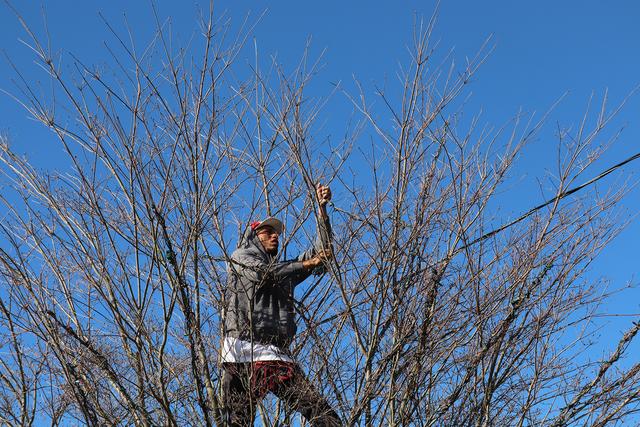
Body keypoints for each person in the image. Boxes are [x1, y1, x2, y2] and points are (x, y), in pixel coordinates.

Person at [221, 184, 341, 426]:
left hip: (275, 355)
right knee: (237, 421)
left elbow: (321, 254)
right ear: (254, 237)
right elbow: (261, 273)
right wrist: (306, 265)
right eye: (268, 232)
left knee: (324, 417)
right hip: (241, 352)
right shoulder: (240, 257)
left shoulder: (285, 271)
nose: (275, 236)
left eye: (276, 233)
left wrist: (322, 211)